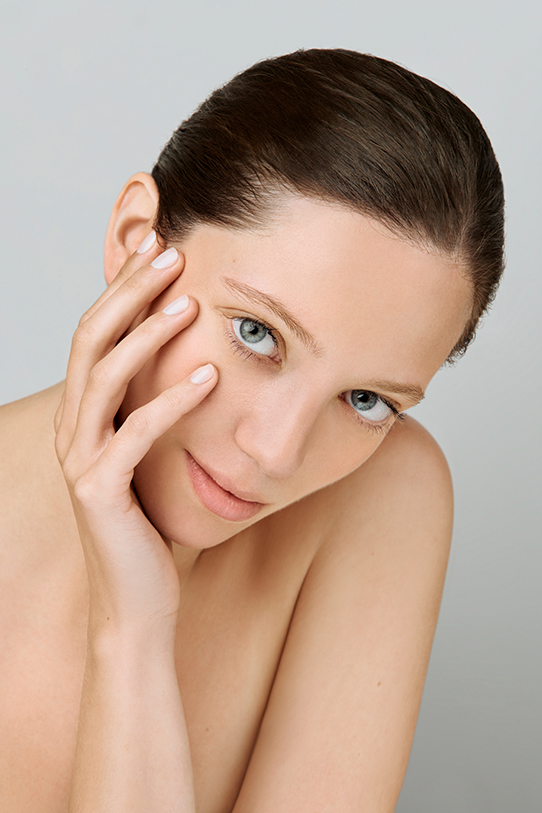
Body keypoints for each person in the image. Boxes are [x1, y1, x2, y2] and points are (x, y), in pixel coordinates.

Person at [0, 48, 504, 813]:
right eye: (257, 333)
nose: (276, 452)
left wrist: (134, 635)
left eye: (365, 398)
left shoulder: (385, 489)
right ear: (137, 240)